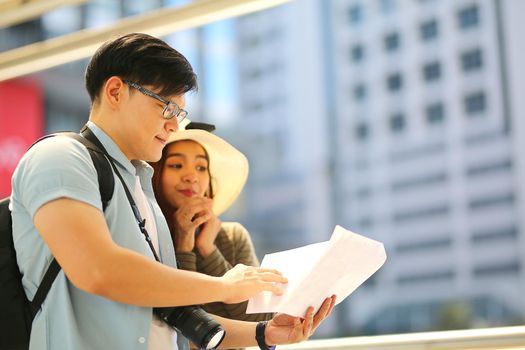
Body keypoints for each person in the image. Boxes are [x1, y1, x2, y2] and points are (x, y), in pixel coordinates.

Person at [10, 32, 335, 350]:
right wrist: (224, 286)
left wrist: (266, 333)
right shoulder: (61, 156)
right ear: (115, 92)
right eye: (166, 107)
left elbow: (174, 314)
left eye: (179, 114)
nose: (173, 124)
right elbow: (99, 271)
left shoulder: (142, 191)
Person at [150, 124, 274, 322]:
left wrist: (208, 249)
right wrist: (184, 247)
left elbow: (260, 319)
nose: (191, 177)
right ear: (155, 173)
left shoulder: (233, 235)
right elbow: (183, 322)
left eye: (201, 168)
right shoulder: (146, 236)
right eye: (176, 165)